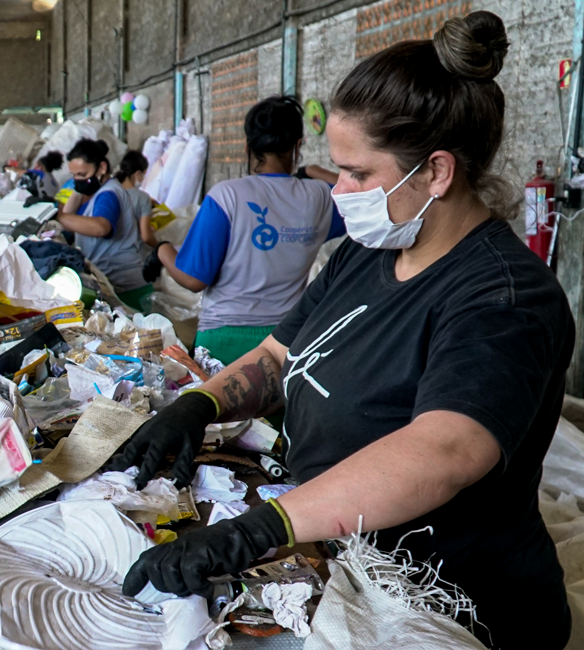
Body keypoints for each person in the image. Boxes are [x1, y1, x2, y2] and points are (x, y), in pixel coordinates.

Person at [110, 12, 570, 649]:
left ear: (436, 172)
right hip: (341, 556)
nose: (339, 191)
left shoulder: (503, 297)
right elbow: (279, 353)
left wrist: (262, 529)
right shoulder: (366, 252)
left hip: (442, 603)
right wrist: (201, 402)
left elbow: (445, 451)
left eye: (357, 174)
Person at [149, 96, 345, 364]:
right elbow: (367, 201)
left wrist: (162, 249)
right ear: (297, 145)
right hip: (288, 342)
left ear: (247, 147)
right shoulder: (319, 197)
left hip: (223, 343)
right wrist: (314, 170)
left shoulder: (226, 196)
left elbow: (192, 279)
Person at [57, 139, 150, 310]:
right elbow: (69, 220)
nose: (77, 180)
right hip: (113, 280)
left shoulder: (108, 194)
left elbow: (101, 227)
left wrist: (57, 215)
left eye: (82, 174)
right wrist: (79, 187)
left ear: (102, 168)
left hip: (124, 285)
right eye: (74, 175)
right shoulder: (96, 191)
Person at [117, 150, 158, 249]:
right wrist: (159, 247)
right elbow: (146, 237)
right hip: (133, 254)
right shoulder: (142, 197)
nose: (143, 178)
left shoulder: (110, 191)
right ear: (138, 174)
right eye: (143, 174)